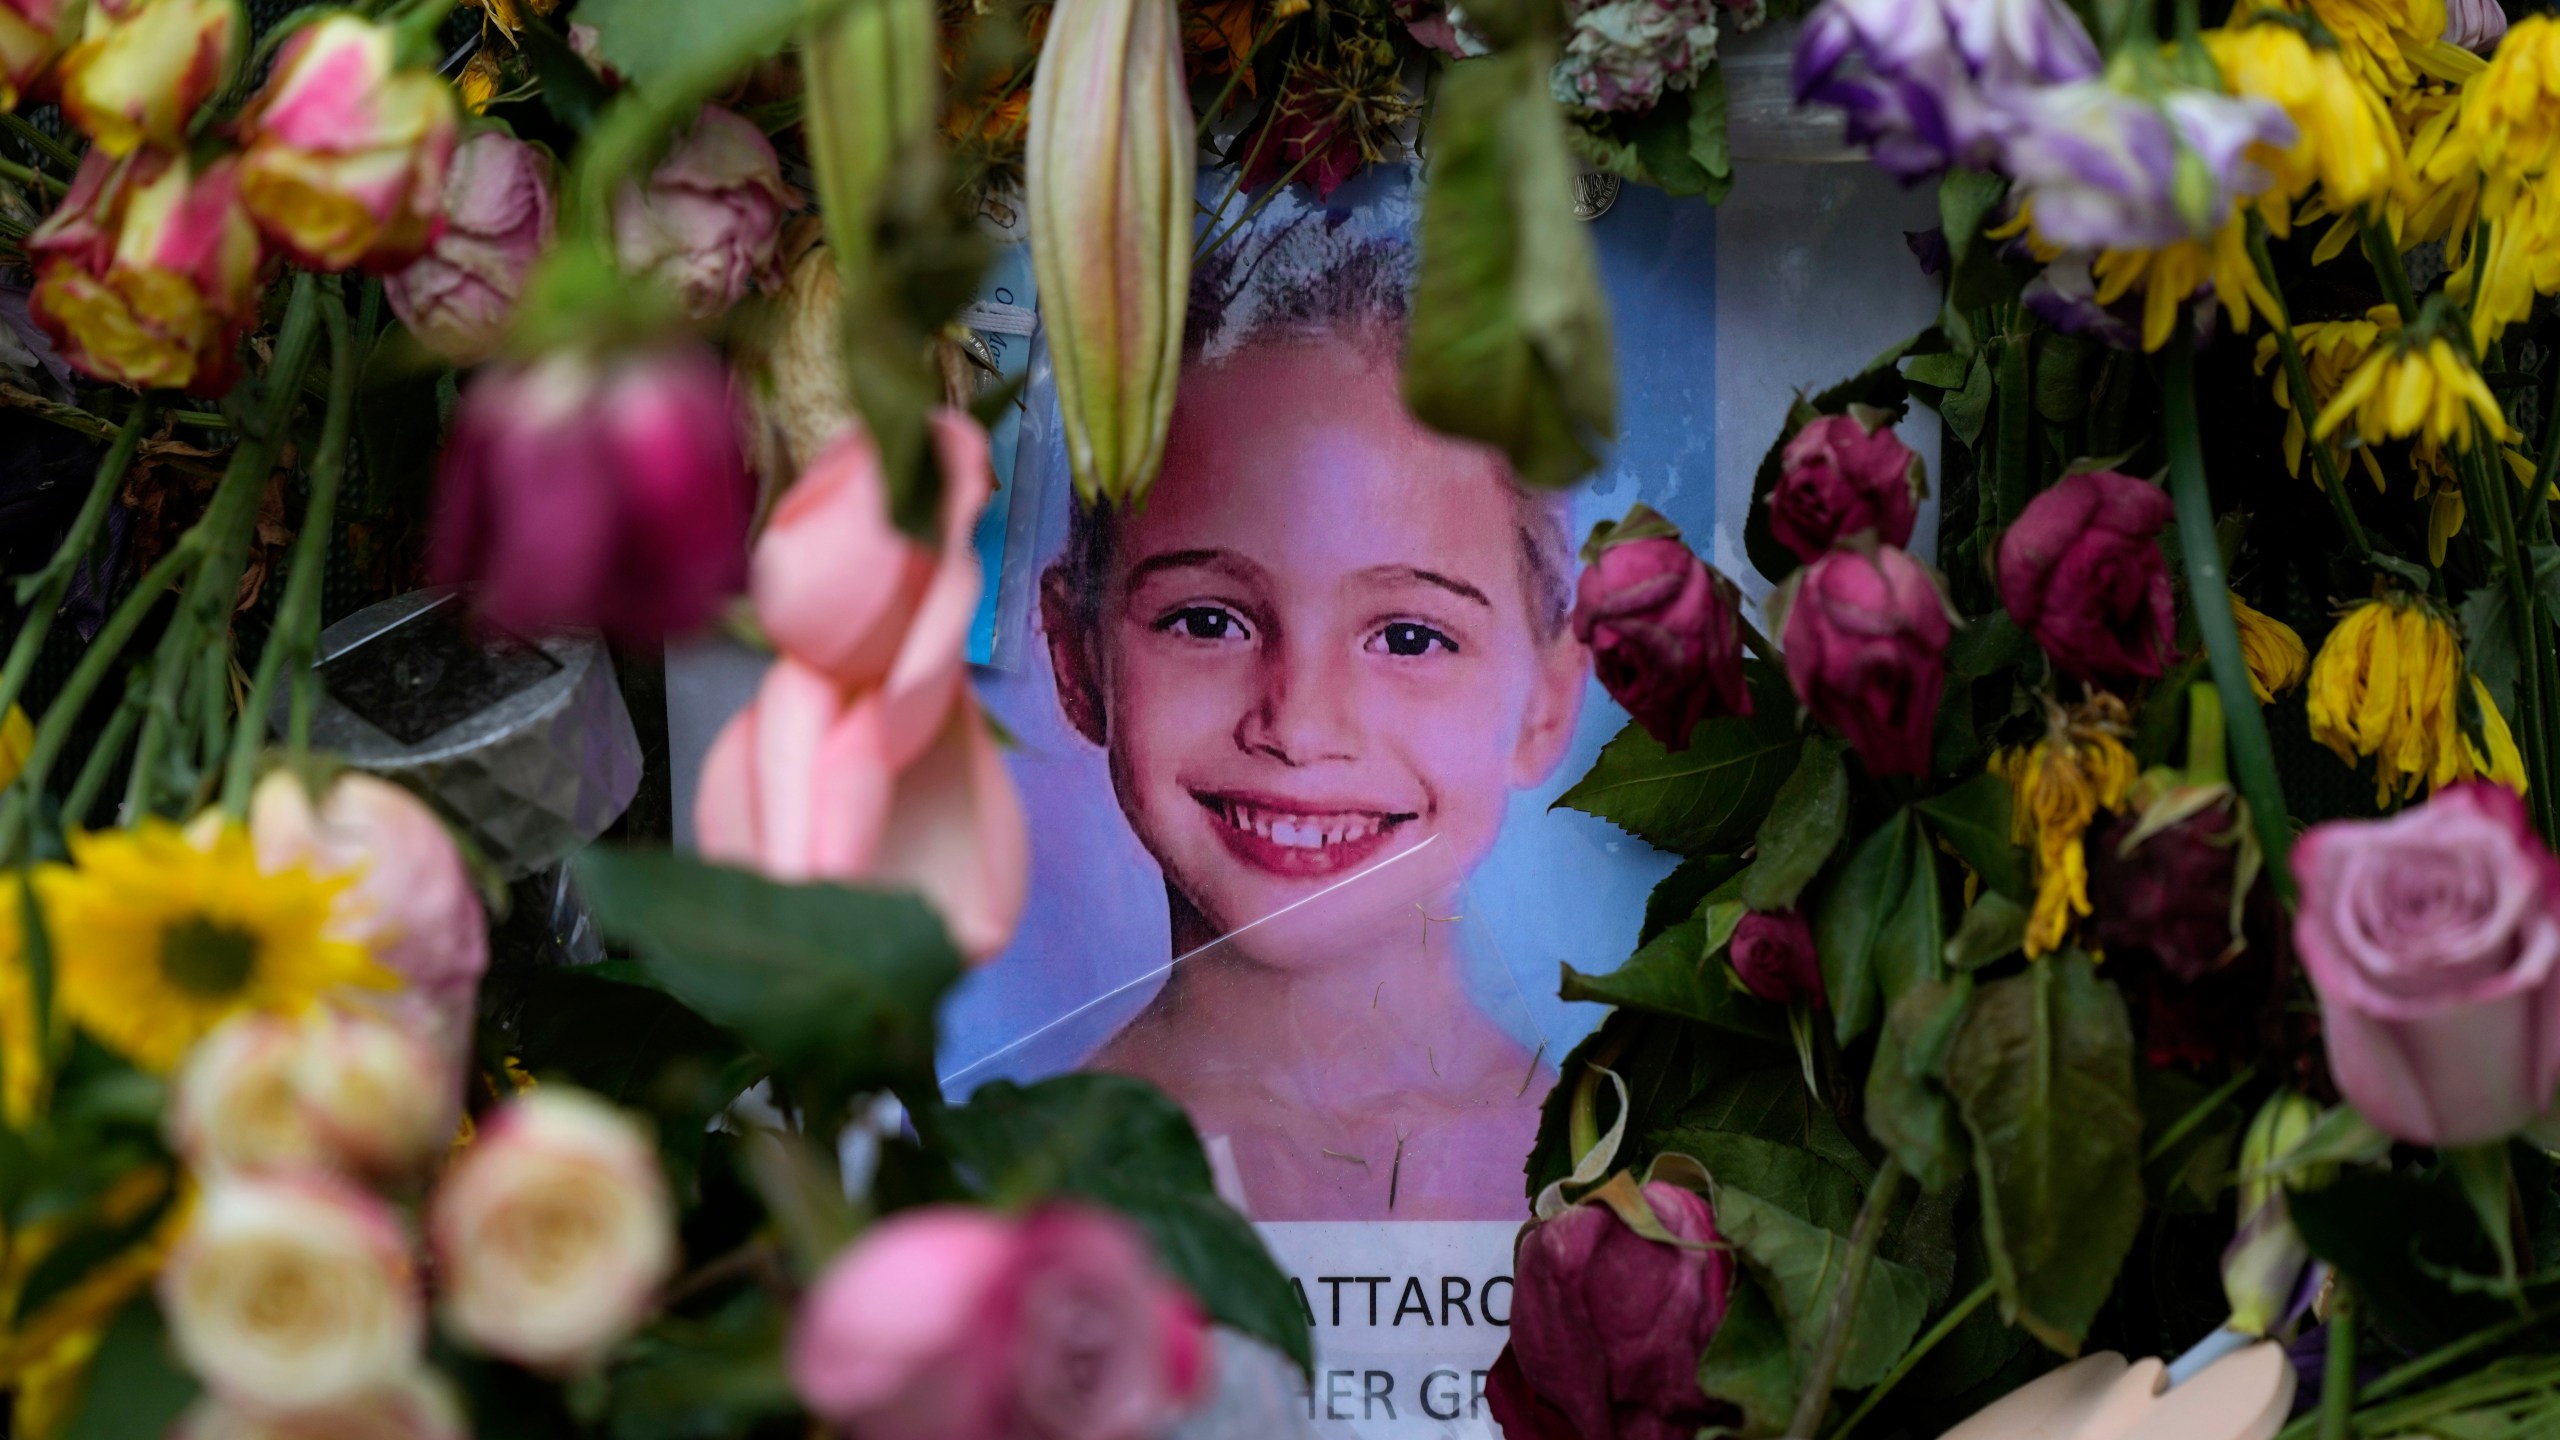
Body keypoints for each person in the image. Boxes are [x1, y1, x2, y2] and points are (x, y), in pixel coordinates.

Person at [1039, 227, 1587, 1220]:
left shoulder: (1636, 1182)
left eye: (1410, 637)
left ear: (1546, 701)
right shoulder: (990, 1196)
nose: (1297, 724)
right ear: (1077, 658)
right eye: (1208, 620)